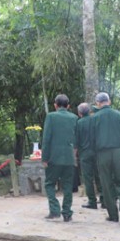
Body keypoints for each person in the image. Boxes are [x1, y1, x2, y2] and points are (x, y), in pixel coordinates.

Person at [91, 92, 120, 222]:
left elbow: (92, 139)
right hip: (118, 151)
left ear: (97, 103)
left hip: (102, 153)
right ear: (109, 101)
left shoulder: (95, 117)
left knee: (106, 184)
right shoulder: (119, 115)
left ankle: (113, 215)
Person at [41, 94, 78, 222]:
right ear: (68, 106)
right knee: (68, 186)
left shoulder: (51, 116)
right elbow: (76, 139)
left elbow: (46, 139)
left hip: (53, 157)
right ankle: (67, 213)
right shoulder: (74, 117)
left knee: (50, 184)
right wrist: (74, 156)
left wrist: (44, 158)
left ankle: (55, 210)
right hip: (69, 157)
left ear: (55, 105)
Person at [76, 103, 97, 209]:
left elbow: (76, 140)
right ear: (89, 111)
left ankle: (92, 201)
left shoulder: (79, 123)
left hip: (84, 153)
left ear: (79, 113)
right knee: (100, 176)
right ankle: (103, 199)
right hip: (97, 152)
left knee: (88, 178)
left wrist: (75, 154)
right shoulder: (96, 120)